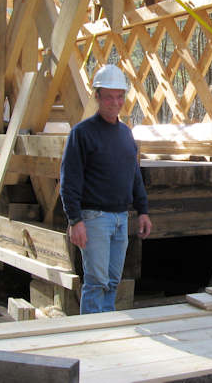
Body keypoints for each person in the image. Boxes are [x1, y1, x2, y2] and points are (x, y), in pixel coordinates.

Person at [60, 64, 152, 314]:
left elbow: (134, 176)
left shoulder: (125, 134)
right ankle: (90, 335)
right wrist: (75, 219)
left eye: (120, 96)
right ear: (97, 97)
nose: (115, 102)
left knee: (112, 282)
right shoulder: (82, 134)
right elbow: (69, 180)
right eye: (109, 96)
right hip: (94, 218)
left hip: (121, 217)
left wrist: (142, 211)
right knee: (96, 282)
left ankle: (106, 331)